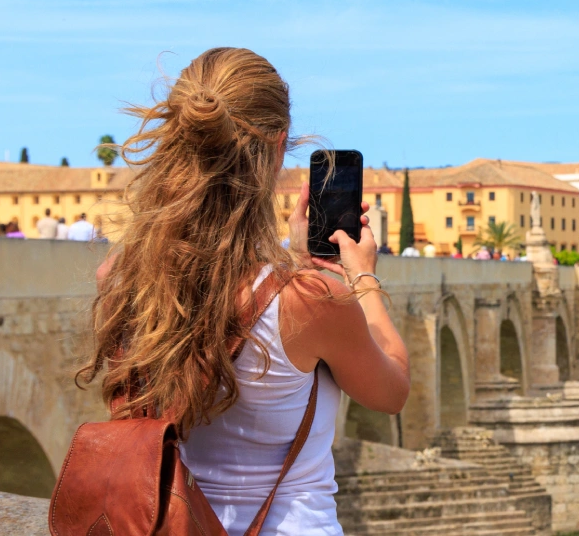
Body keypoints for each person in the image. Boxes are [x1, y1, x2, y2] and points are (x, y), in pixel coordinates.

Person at [78, 47, 409, 536]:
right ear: (277, 148)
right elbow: (392, 390)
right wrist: (362, 278)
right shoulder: (312, 301)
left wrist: (295, 266)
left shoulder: (122, 279)